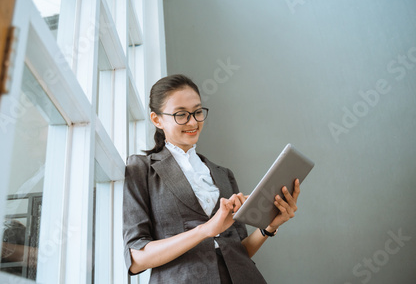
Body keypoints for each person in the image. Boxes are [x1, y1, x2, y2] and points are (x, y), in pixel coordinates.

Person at [122, 74, 301, 284]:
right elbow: (136, 259)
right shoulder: (141, 169)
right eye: (181, 115)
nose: (193, 122)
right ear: (157, 119)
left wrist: (268, 227)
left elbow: (238, 250)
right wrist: (204, 231)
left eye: (197, 112)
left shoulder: (222, 174)